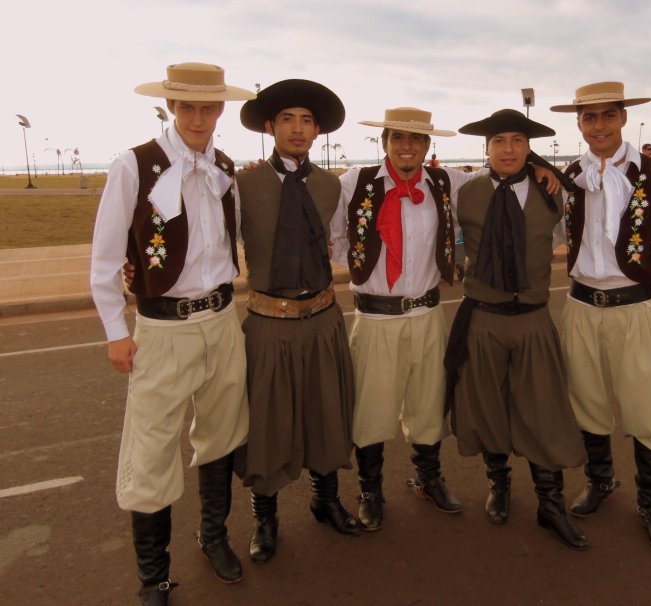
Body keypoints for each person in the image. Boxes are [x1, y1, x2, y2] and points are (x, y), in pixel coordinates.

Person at [90, 62, 253, 605]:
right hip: (163, 327)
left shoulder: (224, 167)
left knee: (222, 435)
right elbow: (106, 259)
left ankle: (213, 536)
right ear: (171, 107)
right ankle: (153, 576)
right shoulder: (133, 165)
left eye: (209, 107)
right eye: (189, 107)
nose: (199, 117)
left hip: (222, 319)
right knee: (153, 449)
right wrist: (117, 329)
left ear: (221, 110)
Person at [549, 81, 651, 552]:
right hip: (580, 305)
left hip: (635, 306)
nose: (598, 126)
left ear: (622, 119)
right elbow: (553, 232)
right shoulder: (569, 175)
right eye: (589, 118)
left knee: (647, 408)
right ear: (579, 124)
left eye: (607, 116)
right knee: (588, 403)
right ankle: (601, 480)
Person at [444, 109, 588, 551]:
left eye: (518, 141)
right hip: (483, 319)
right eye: (500, 141)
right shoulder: (462, 192)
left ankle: (550, 504)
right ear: (486, 149)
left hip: (532, 318)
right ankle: (499, 485)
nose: (509, 149)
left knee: (542, 410)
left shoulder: (554, 194)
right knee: (488, 407)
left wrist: (546, 169)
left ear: (529, 148)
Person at [235, 79, 362, 562]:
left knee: (326, 411)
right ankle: (264, 518)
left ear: (318, 131)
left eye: (307, 120)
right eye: (287, 118)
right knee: (267, 421)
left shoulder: (332, 186)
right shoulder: (243, 184)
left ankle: (326, 500)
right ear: (270, 127)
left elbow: (340, 245)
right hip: (269, 321)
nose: (298, 128)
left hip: (323, 317)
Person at [330, 107, 465, 531]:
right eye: (398, 138)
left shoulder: (445, 182)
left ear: (427, 146)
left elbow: (498, 177)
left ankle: (428, 477)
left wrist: (537, 165)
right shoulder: (354, 183)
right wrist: (357, 264)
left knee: (428, 404)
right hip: (375, 318)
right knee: (371, 409)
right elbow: (334, 233)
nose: (407, 147)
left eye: (417, 139)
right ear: (385, 141)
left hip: (427, 313)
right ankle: (370, 490)